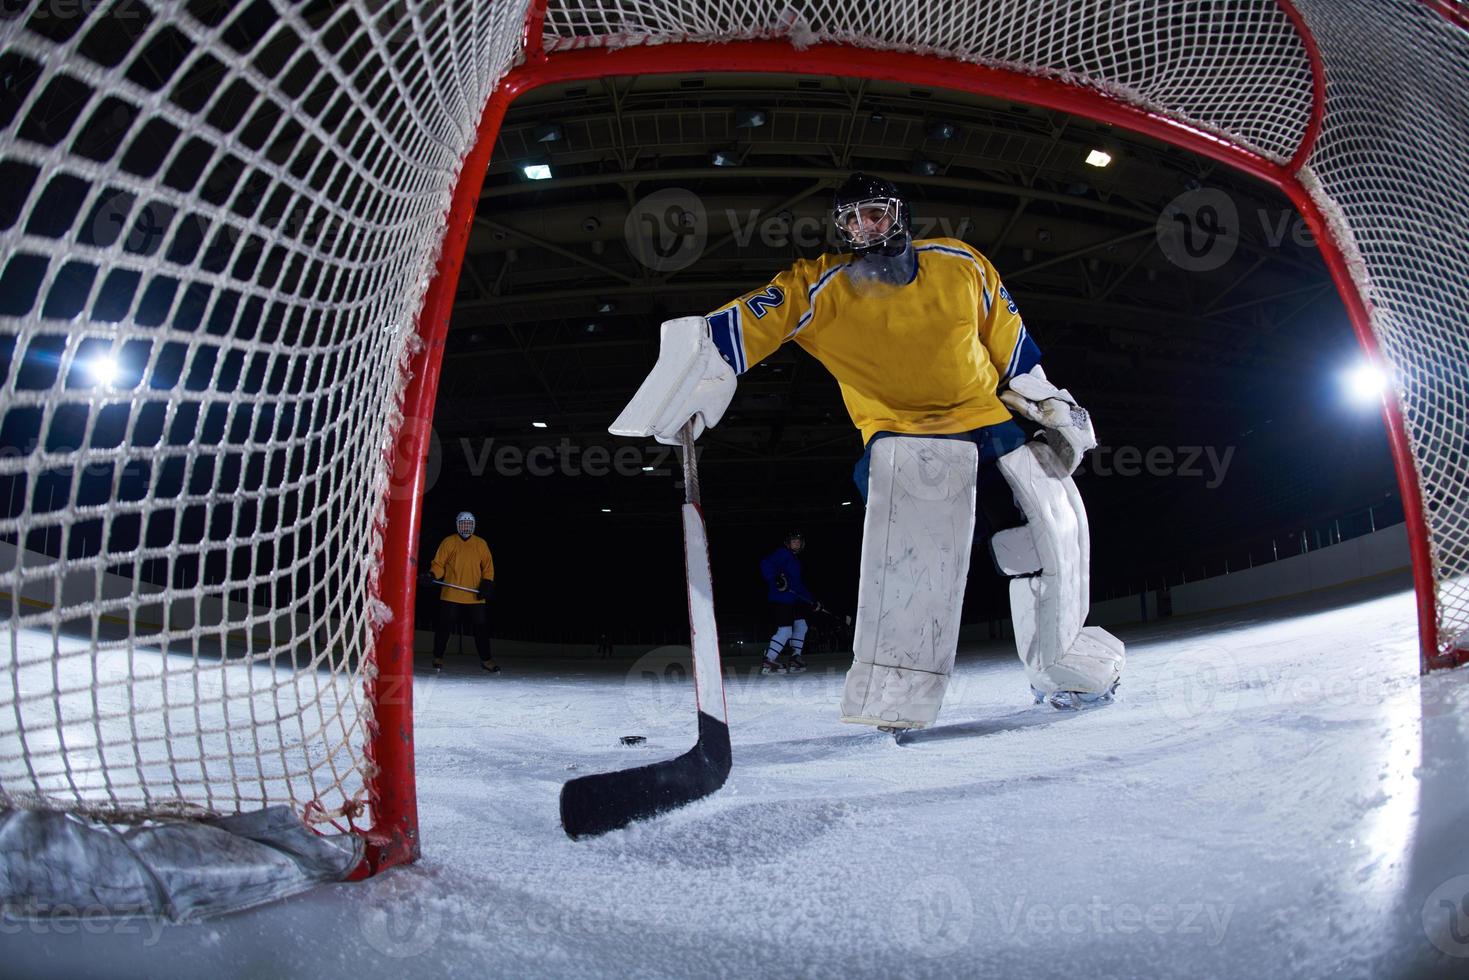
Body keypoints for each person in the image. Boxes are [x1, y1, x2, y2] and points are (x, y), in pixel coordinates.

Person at [611, 172, 1124, 729]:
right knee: (916, 564)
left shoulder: (962, 264)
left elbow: (1013, 349)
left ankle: (1061, 666)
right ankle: (896, 697)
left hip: (986, 420)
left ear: (898, 214)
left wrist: (1051, 405)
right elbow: (735, 329)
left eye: (873, 213)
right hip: (900, 437)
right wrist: (689, 380)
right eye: (851, 219)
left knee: (1042, 537)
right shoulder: (817, 286)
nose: (863, 227)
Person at [421, 511, 500, 674]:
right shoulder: (449, 542)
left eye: (468, 524)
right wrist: (432, 575)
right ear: (458, 525)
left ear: (473, 526)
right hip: (452, 592)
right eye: (463, 524)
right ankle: (438, 656)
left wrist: (487, 584)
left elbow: (488, 568)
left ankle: (486, 660)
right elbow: (439, 564)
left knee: (481, 628)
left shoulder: (480, 544)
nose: (466, 527)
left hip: (475, 594)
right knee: (444, 626)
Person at [758, 531, 817, 675]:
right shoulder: (783, 553)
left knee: (801, 625)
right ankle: (769, 660)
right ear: (788, 543)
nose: (796, 543)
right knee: (785, 631)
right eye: (793, 541)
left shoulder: (795, 561)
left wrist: (812, 601)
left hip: (793, 599)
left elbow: (798, 586)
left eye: (798, 541)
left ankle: (795, 657)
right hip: (781, 598)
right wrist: (776, 578)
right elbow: (765, 563)